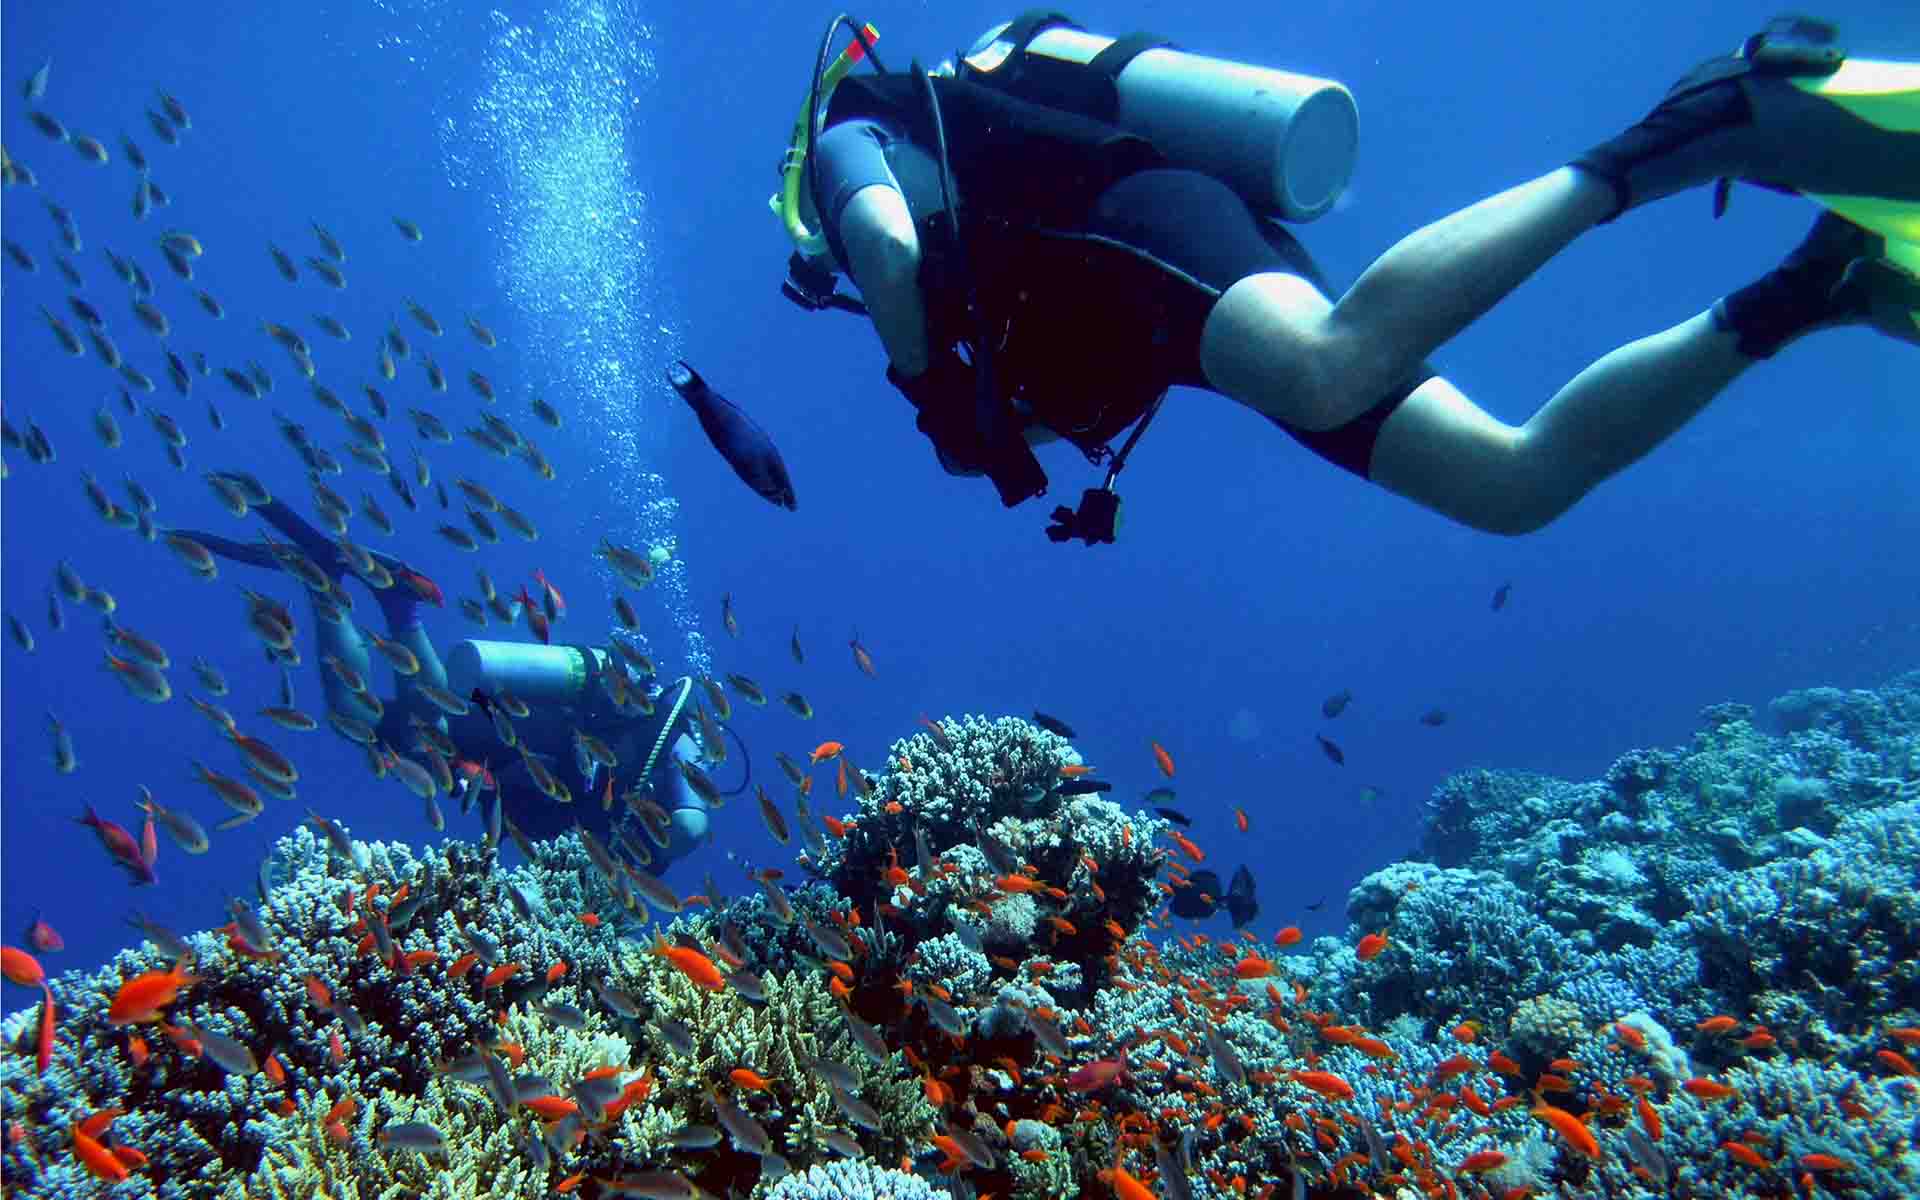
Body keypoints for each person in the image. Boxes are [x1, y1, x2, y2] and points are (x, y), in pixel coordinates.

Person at [775, 14, 1919, 544]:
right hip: (1173, 290)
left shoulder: (850, 127)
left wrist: (926, 390)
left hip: (1136, 225)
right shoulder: (957, 224)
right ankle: (1809, 290)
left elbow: (881, 247)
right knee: (1512, 486)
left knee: (1326, 370)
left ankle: (1691, 126)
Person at [183, 501, 714, 870]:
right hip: (514, 741)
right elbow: (680, 832)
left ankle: (389, 603)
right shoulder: (643, 810)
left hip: (504, 719)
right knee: (369, 723)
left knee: (420, 712)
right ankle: (349, 591)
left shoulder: (649, 748)